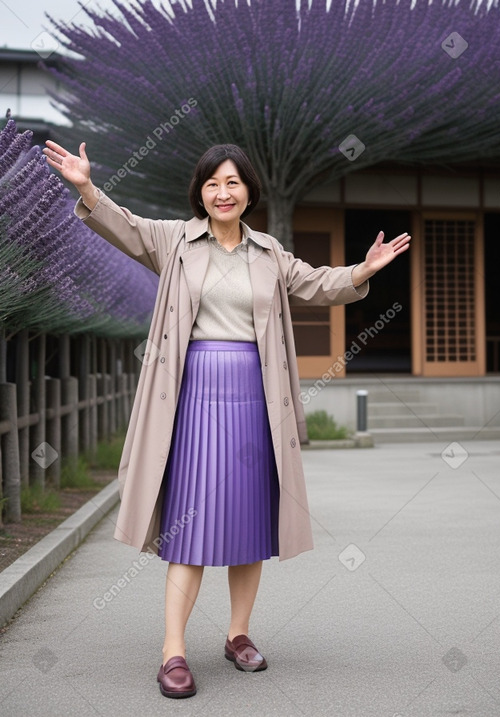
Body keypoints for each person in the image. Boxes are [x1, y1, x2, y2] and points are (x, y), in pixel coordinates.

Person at [43, 139, 411, 698]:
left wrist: (363, 269)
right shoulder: (175, 240)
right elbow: (124, 226)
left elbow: (315, 283)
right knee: (188, 529)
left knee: (247, 525)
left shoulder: (268, 253)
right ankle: (173, 651)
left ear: (248, 192)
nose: (223, 192)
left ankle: (238, 635)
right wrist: (87, 187)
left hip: (254, 401)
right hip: (192, 400)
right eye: (213, 183)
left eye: (233, 182)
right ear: (201, 191)